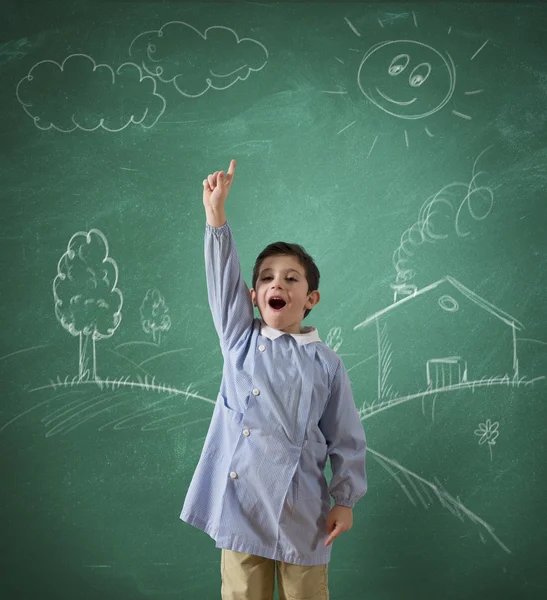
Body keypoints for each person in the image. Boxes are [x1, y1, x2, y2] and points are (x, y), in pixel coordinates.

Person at [180, 159, 367, 600]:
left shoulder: (327, 363)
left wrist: (345, 499)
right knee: (244, 595)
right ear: (254, 296)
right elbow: (221, 281)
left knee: (306, 594)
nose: (275, 283)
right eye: (265, 278)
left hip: (303, 506)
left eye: (290, 277)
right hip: (241, 505)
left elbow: (346, 436)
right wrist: (216, 218)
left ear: (310, 298)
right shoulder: (239, 340)